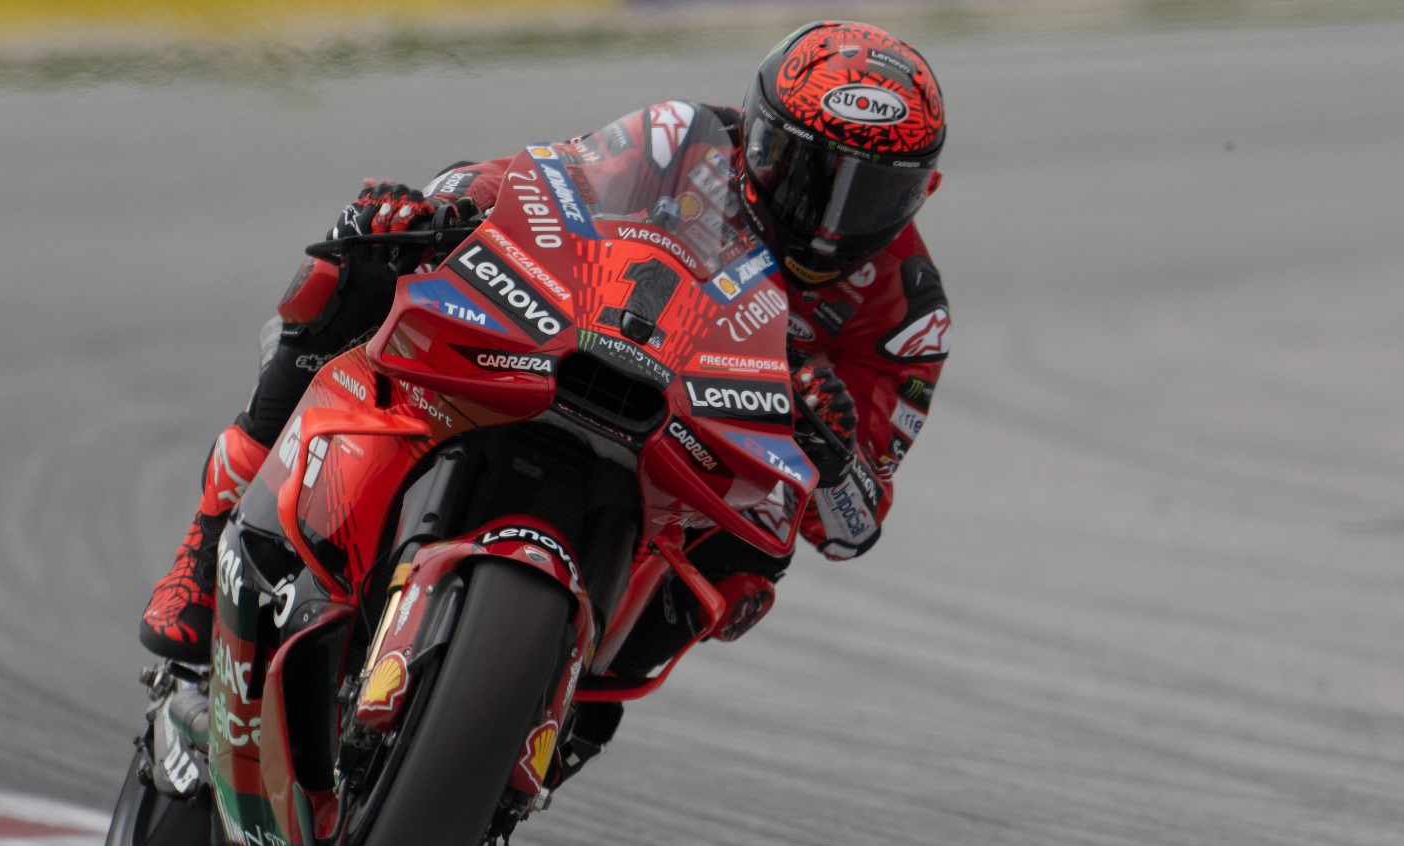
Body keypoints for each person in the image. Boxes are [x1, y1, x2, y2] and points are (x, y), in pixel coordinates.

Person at [139, 20, 952, 778]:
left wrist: (835, 451)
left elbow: (854, 524)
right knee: (350, 274)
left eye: (866, 195)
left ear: (922, 192)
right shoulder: (682, 142)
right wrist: (442, 205)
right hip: (575, 343)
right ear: (759, 126)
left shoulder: (908, 316)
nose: (826, 217)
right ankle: (203, 556)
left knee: (757, 556)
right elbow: (543, 182)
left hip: (697, 452)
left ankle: (570, 727)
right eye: (809, 171)